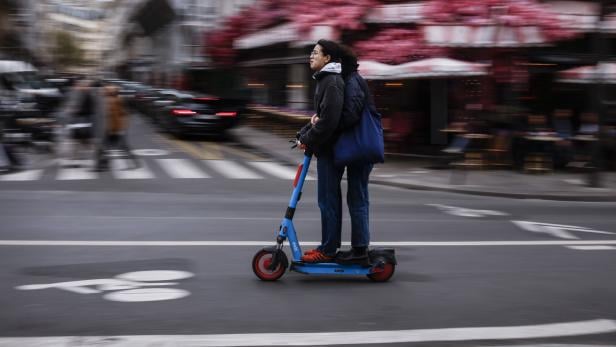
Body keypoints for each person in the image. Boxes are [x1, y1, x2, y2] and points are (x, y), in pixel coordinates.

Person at [296, 39, 345, 263]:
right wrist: (303, 134)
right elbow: (319, 118)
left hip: (331, 151)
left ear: (327, 58)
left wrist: (308, 139)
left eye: (316, 53)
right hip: (326, 149)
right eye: (312, 52)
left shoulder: (332, 82)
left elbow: (328, 122)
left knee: (328, 200)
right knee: (327, 200)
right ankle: (328, 245)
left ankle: (329, 250)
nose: (311, 56)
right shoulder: (325, 80)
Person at [94, 84, 139, 171]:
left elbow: (115, 117)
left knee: (105, 147)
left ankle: (101, 165)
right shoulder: (114, 100)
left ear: (110, 92)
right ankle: (103, 165)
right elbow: (122, 115)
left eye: (105, 90)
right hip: (114, 129)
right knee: (116, 147)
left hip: (113, 129)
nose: (103, 91)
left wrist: (113, 129)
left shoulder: (112, 101)